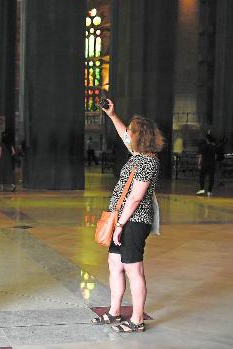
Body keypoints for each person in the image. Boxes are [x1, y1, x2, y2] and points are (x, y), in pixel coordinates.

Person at [91, 99, 164, 333]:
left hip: (134, 220)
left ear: (139, 137)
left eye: (132, 132)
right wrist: (112, 115)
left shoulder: (148, 162)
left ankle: (137, 319)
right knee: (115, 264)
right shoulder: (137, 155)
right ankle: (114, 312)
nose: (128, 134)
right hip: (122, 219)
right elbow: (124, 134)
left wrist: (120, 224)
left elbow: (135, 197)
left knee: (134, 269)